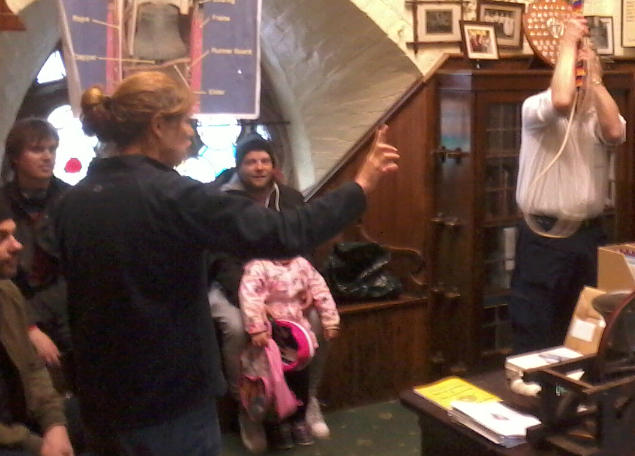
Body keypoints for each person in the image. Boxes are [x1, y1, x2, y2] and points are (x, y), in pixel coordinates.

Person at [50, 71, 399, 456]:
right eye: (184, 120)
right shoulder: (174, 197)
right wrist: (361, 185)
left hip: (100, 398)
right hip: (169, 399)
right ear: (157, 126)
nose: (190, 133)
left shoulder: (71, 201)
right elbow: (286, 233)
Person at [508, 16, 626, 355]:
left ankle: (574, 396)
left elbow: (615, 133)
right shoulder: (537, 107)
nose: (580, 69)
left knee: (584, 328)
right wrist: (567, 43)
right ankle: (532, 394)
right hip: (545, 237)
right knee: (536, 325)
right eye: (573, 65)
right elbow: (561, 102)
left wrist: (597, 81)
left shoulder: (598, 113)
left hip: (588, 236)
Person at [207, 137, 331, 449]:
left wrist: (303, 286)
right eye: (250, 161)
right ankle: (248, 409)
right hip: (233, 286)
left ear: (273, 164)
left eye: (264, 160)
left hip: (286, 283)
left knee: (316, 318)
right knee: (237, 328)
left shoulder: (290, 198)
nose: (259, 167)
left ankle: (307, 399)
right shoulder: (222, 202)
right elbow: (221, 260)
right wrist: (256, 306)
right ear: (239, 166)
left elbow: (305, 243)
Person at [238, 254, 339, 450]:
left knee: (300, 378)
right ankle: (277, 425)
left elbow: (321, 291)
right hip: (271, 336)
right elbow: (249, 297)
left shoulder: (302, 265)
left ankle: (299, 419)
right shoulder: (258, 267)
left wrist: (330, 321)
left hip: (298, 334)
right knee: (275, 383)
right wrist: (257, 327)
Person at [0, 119, 72, 386]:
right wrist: (28, 326)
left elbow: (79, 267)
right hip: (14, 313)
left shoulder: (70, 200)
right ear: (16, 157)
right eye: (37, 149)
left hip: (68, 312)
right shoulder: (2, 203)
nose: (48, 157)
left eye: (52, 149)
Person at [0, 215, 75, 456]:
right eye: (2, 238)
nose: (17, 245)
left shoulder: (8, 293)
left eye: (12, 235)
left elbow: (34, 368)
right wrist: (35, 445)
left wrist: (55, 427)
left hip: (21, 419)